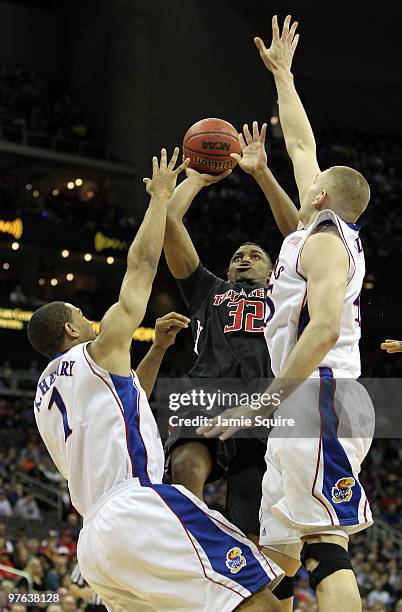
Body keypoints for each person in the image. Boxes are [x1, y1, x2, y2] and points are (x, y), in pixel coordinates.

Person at [27, 148, 283, 612]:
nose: (90, 320)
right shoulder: (206, 291)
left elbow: (130, 401)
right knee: (255, 595)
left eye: (256, 254)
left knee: (255, 544)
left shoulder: (47, 394)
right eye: (82, 316)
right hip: (149, 489)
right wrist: (171, 192)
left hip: (98, 537)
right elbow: (143, 264)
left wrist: (158, 349)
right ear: (71, 330)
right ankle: (194, 520)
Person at [199, 15, 374, 612]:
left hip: (319, 394)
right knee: (271, 565)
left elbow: (324, 329)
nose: (307, 175)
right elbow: (301, 142)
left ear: (321, 196)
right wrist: (284, 75)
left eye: (312, 182)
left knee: (328, 546)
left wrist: (266, 398)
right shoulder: (313, 228)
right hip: (299, 406)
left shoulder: (325, 241)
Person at [164, 121, 298, 547]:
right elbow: (169, 222)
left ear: (272, 269)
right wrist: (196, 179)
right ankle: (192, 543)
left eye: (255, 255)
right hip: (209, 396)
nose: (244, 258)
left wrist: (262, 173)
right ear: (226, 269)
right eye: (238, 255)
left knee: (254, 532)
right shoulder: (209, 290)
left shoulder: (288, 292)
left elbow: (299, 235)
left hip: (266, 408)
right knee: (186, 465)